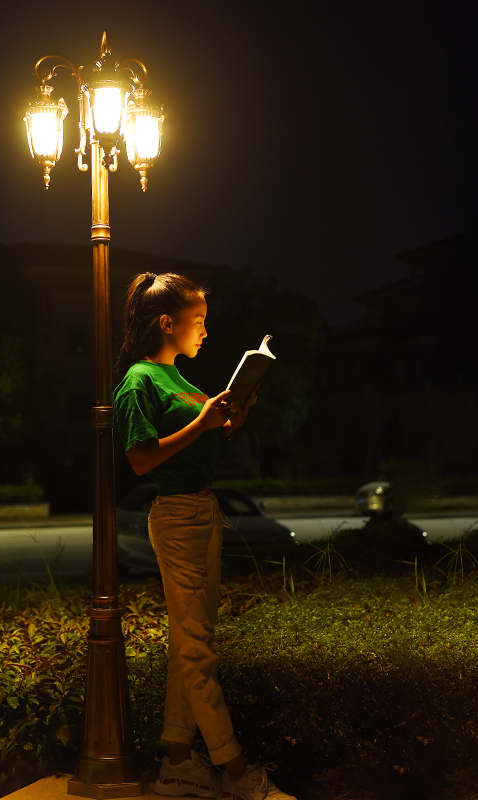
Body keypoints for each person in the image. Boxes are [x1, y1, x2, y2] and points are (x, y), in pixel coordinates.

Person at [113, 273, 295, 800]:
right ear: (166, 323)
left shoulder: (178, 378)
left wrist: (230, 419)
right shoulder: (139, 381)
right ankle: (235, 770)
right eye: (198, 321)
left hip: (201, 510)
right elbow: (140, 458)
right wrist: (202, 422)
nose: (205, 332)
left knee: (188, 643)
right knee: (197, 649)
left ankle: (177, 764)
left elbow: (197, 446)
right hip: (176, 516)